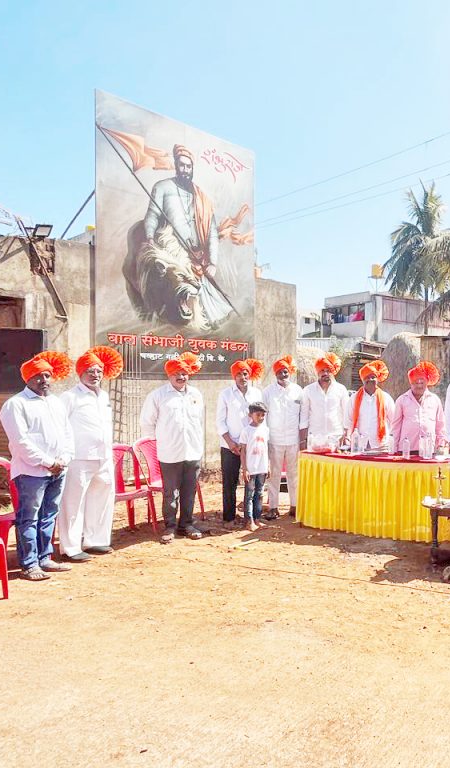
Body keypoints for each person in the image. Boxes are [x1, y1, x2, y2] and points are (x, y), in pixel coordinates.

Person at [0, 351, 75, 580]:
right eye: (38, 377)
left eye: (47, 376)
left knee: (49, 515)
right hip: (31, 472)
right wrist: (48, 462)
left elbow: (67, 434)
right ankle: (29, 564)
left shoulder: (55, 402)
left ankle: (45, 558)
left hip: (59, 469)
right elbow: (20, 442)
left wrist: (65, 458)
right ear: (27, 379)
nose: (44, 381)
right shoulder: (15, 405)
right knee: (28, 518)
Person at [141, 143, 232, 329]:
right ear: (176, 165)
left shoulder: (202, 198)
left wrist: (213, 262)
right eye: (182, 165)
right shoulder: (163, 187)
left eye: (188, 166)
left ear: (193, 168)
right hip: (171, 249)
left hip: (198, 257)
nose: (185, 170)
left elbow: (212, 234)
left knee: (211, 305)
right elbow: (152, 215)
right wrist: (150, 238)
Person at [57, 346, 123, 562]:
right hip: (79, 458)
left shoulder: (103, 395)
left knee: (101, 498)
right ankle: (70, 547)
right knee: (73, 503)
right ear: (80, 373)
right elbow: (60, 427)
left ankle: (94, 540)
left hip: (103, 456)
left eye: (98, 371)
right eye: (90, 371)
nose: (95, 375)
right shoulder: (70, 397)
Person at [140, 352, 205, 544]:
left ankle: (186, 524)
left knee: (189, 490)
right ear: (169, 375)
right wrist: (159, 442)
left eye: (184, 373)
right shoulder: (158, 396)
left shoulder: (195, 394)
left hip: (192, 451)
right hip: (169, 453)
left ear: (189, 375)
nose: (181, 376)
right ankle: (169, 526)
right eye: (176, 373)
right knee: (170, 492)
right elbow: (147, 423)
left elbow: (199, 421)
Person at [216, 358, 265, 527]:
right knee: (230, 483)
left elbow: (261, 419)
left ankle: (250, 517)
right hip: (231, 446)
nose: (242, 377)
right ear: (233, 377)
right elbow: (220, 422)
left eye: (245, 374)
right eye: (238, 374)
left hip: (251, 448)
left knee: (252, 483)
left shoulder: (257, 393)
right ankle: (229, 518)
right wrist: (230, 443)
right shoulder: (226, 394)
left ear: (249, 375)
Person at [265, 355, 303, 519]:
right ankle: (273, 507)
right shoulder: (267, 392)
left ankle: (294, 505)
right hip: (275, 439)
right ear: (275, 374)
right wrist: (265, 440)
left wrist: (302, 440)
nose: (283, 374)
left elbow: (303, 416)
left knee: (294, 474)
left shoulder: (298, 390)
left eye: (285, 371)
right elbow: (264, 416)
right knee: (274, 474)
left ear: (290, 372)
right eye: (279, 372)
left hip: (293, 439)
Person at [391, 361, 445, 455]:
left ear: (427, 382)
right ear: (410, 383)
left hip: (429, 450)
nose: (419, 385)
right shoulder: (402, 400)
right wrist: (393, 449)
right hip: (406, 450)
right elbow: (396, 426)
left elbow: (440, 425)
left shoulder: (435, 400)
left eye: (422, 382)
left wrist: (441, 445)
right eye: (416, 382)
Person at [300, 352, 347, 449]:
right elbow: (304, 417)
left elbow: (347, 414)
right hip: (315, 438)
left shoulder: (341, 389)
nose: (325, 373)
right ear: (317, 372)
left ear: (333, 372)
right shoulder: (308, 390)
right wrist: (303, 440)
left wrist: (346, 435)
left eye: (328, 370)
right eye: (322, 370)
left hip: (336, 437)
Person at [345, 360, 395, 450]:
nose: (370, 380)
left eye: (373, 377)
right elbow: (348, 420)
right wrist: (347, 438)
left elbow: (394, 421)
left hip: (381, 445)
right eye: (366, 377)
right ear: (362, 380)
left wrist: (393, 441)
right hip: (359, 444)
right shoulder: (354, 398)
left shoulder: (386, 398)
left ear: (377, 379)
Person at [239, 402, 270, 532]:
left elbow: (267, 448)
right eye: (258, 415)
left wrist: (268, 465)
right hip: (251, 469)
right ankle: (249, 520)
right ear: (250, 415)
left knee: (260, 493)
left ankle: (257, 518)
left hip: (262, 468)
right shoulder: (246, 431)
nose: (261, 418)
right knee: (249, 495)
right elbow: (243, 451)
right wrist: (245, 468)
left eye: (263, 415)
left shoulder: (265, 429)